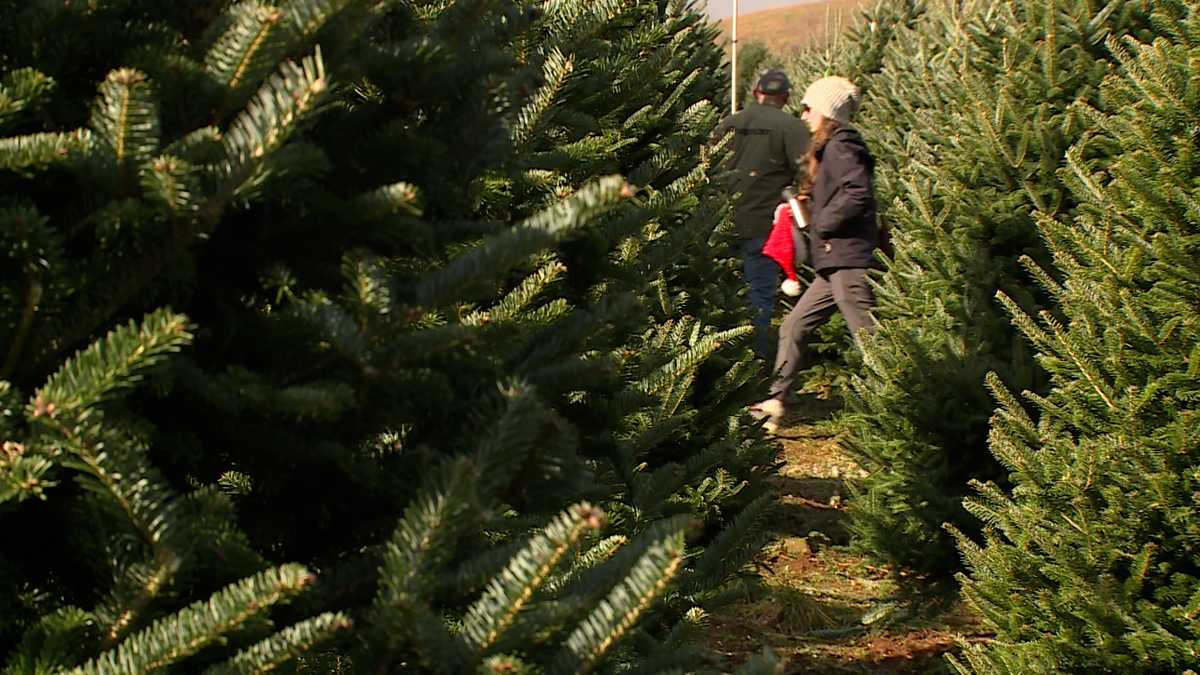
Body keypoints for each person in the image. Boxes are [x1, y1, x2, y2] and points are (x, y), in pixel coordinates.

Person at [751, 75, 880, 432]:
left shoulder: (842, 145)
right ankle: (775, 401)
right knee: (794, 325)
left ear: (826, 112)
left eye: (808, 108)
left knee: (869, 337)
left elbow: (858, 194)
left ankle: (896, 402)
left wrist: (820, 221)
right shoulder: (830, 148)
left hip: (848, 260)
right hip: (833, 260)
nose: (804, 114)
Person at [714, 69, 810, 361]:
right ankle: (753, 363)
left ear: (756, 93)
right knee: (759, 293)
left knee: (721, 293)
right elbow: (807, 173)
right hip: (764, 225)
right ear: (786, 97)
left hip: (722, 222)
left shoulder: (728, 123)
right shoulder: (792, 128)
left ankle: (719, 358)